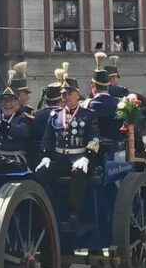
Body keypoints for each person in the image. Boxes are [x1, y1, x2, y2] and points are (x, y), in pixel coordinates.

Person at [35, 65, 100, 226]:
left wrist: (87, 157)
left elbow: (95, 139)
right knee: (41, 172)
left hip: (80, 158)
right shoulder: (55, 115)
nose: (65, 97)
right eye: (63, 94)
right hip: (60, 159)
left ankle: (75, 212)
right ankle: (46, 209)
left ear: (77, 94)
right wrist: (45, 156)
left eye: (69, 93)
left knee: (78, 172)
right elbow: (48, 138)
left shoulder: (88, 115)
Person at [88, 52, 146, 163]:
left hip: (92, 156)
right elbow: (134, 131)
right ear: (108, 85)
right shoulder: (122, 105)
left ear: (93, 86)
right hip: (118, 155)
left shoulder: (85, 105)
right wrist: (141, 149)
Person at [0, 70, 32, 170]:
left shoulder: (23, 117)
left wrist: (0, 124)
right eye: (4, 100)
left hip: (15, 160)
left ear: (18, 102)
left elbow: (22, 131)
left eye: (11, 101)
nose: (7, 104)